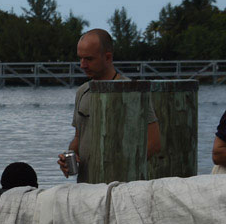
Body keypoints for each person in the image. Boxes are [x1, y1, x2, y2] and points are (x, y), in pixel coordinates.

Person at [59, 29, 160, 180]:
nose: (82, 65)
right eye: (80, 59)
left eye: (89, 59)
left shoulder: (132, 90)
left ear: (107, 57)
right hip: (87, 188)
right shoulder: (82, 91)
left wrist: (122, 169)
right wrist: (69, 159)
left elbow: (154, 142)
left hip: (124, 189)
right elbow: (79, 138)